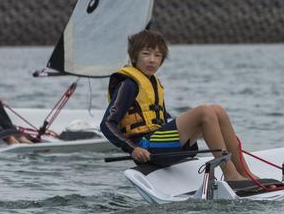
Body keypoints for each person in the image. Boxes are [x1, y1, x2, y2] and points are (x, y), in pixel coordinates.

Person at [100, 29, 256, 182]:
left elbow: (159, 119)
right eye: (146, 54)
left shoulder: (153, 83)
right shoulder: (128, 85)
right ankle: (231, 176)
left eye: (158, 55)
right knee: (204, 112)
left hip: (160, 143)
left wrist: (204, 129)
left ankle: (244, 173)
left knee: (217, 111)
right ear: (134, 56)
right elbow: (107, 124)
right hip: (146, 147)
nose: (152, 60)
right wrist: (132, 149)